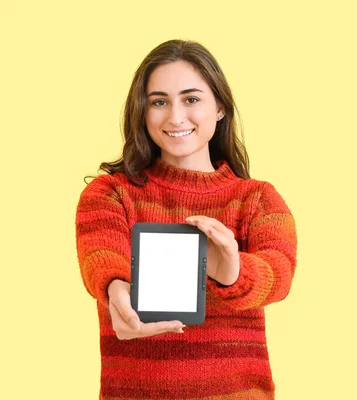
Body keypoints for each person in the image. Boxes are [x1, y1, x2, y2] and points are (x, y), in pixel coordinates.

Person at [75, 39, 297, 400]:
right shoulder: (110, 193)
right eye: (159, 102)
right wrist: (118, 293)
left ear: (220, 107)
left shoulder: (257, 199)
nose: (175, 117)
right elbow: (102, 256)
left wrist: (231, 268)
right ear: (142, 111)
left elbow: (280, 273)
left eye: (191, 99)